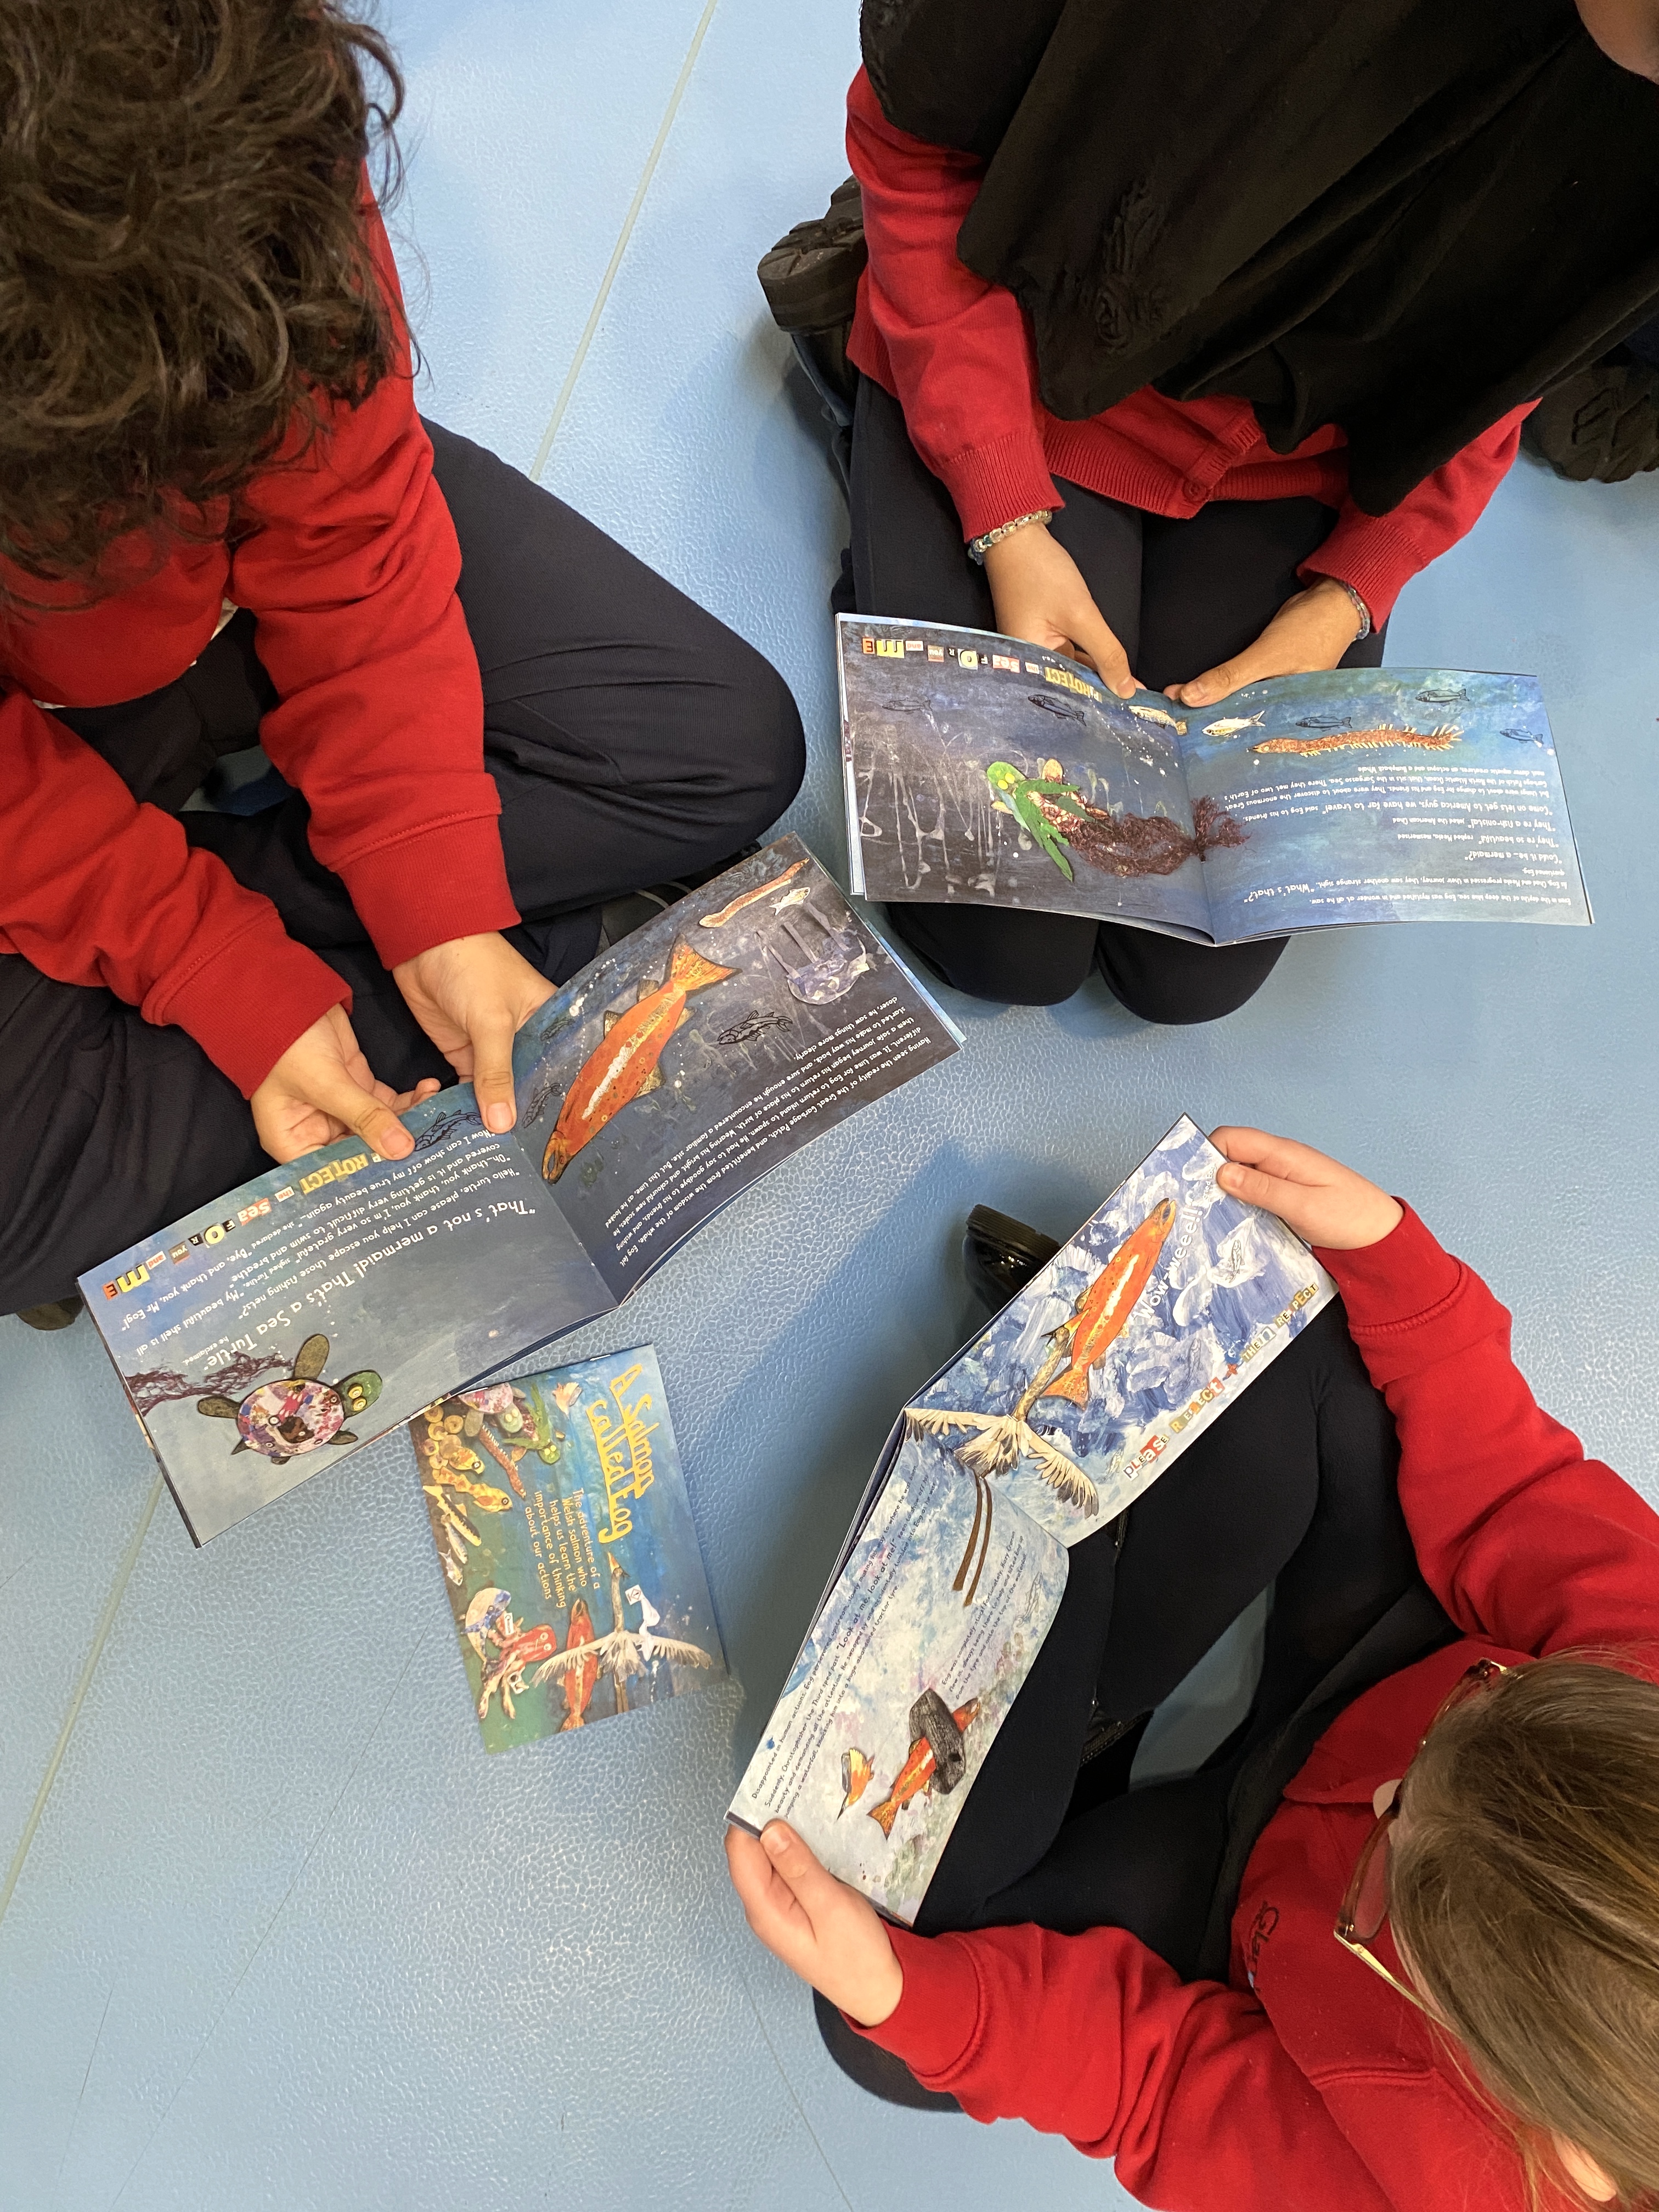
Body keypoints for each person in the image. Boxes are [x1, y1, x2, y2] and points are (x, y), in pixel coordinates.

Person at [0, 0, 804, 1328]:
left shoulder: (230, 100)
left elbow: (356, 526)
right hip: (42, 709)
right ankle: (286, 955)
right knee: (23, 1213)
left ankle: (321, 961)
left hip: (255, 564)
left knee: (721, 751)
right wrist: (209, 959)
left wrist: (431, 897)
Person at [727, 1128, 1659, 2211]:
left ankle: (1076, 1697)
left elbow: (1159, 2088)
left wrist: (919, 2004)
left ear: (1562, 2148)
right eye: (1482, 1710)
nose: (1384, 1801)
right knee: (1327, 1342)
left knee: (893, 2006)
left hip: (1240, 1912)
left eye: (1388, 1886)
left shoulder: (1434, 2191)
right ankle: (1095, 1683)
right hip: (1374, 1669)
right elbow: (1517, 1501)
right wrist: (1406, 1272)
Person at [766, 0, 1659, 1020]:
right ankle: (881, 390)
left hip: (1302, 457)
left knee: (1193, 963)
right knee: (1009, 946)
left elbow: (1507, 374)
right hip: (1036, 358)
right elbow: (913, 144)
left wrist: (1351, 591)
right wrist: (1000, 507)